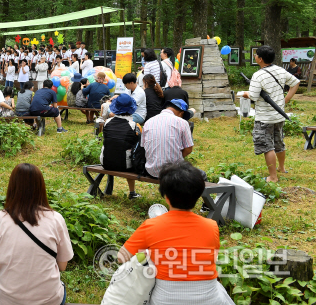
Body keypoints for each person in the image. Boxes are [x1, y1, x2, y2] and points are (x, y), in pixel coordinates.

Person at [118, 161, 233, 305]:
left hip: (165, 299)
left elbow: (121, 257)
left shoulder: (151, 226)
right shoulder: (211, 226)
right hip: (209, 299)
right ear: (198, 197)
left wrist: (147, 256)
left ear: (166, 197)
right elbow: (212, 257)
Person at [0, 163, 73, 305]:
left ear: (12, 187)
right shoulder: (56, 219)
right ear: (41, 188)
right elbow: (62, 266)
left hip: (8, 300)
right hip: (49, 300)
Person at [242, 45, 300, 183]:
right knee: (279, 142)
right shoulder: (280, 70)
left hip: (265, 117)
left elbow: (254, 97)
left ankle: (272, 177)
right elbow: (295, 82)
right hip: (279, 115)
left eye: (256, 55)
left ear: (260, 59)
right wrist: (286, 99)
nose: (255, 56)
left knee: (267, 146)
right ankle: (281, 167)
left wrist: (245, 94)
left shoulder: (258, 75)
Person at [100, 94, 142, 199]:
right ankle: (132, 192)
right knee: (130, 154)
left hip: (105, 161)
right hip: (125, 165)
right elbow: (138, 145)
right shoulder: (134, 126)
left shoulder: (107, 122)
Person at [142, 99, 194, 178]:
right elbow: (189, 149)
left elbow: (143, 146)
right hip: (174, 172)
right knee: (202, 175)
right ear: (181, 113)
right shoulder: (182, 122)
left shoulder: (148, 122)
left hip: (151, 171)